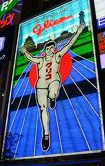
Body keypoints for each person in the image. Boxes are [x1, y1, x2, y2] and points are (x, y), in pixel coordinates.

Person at [21, 23, 85, 151]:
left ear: (54, 49)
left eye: (51, 48)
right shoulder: (40, 60)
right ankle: (46, 134)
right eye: (47, 49)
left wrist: (78, 32)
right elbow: (31, 58)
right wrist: (24, 52)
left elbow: (69, 45)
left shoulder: (57, 55)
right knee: (43, 108)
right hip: (41, 84)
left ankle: (53, 98)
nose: (49, 50)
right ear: (45, 50)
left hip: (54, 80)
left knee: (53, 93)